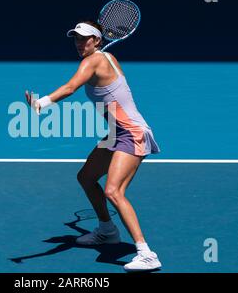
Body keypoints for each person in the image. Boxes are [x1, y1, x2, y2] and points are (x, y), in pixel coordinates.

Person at [25, 21, 161, 272]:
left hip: (131, 133)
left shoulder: (94, 61)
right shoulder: (108, 57)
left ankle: (146, 253)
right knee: (86, 177)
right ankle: (107, 230)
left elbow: (70, 87)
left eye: (84, 38)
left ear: (97, 40)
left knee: (113, 191)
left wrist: (41, 104)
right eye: (76, 39)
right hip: (116, 133)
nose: (79, 43)